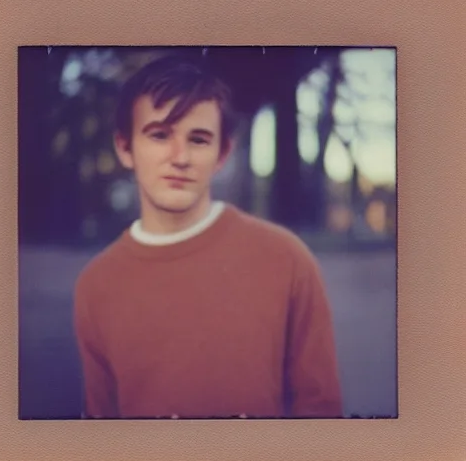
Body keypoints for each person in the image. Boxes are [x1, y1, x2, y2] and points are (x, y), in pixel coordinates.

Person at [71, 54, 342, 418]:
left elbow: (322, 417)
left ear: (222, 153)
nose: (179, 157)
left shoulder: (285, 259)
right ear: (125, 147)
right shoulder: (96, 285)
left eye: (198, 139)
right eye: (159, 135)